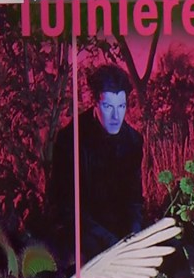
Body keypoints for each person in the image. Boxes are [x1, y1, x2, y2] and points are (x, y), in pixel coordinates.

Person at [47, 64, 144, 264]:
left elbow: (134, 199)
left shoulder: (133, 140)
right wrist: (109, 241)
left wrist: (134, 233)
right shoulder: (70, 139)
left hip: (120, 230)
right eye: (108, 107)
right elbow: (66, 207)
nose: (116, 117)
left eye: (121, 106)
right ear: (95, 103)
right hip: (81, 229)